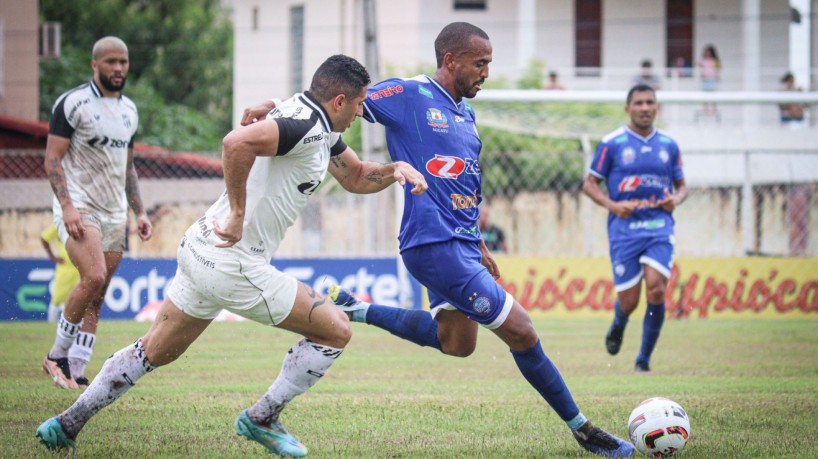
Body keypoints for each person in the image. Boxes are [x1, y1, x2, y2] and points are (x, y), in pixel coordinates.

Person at [242, 22, 633, 457]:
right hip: (433, 243)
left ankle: (356, 308)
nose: (486, 73)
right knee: (521, 331)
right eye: (479, 63)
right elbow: (333, 100)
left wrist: (479, 244)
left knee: (457, 343)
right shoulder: (410, 94)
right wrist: (276, 105)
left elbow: (467, 185)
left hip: (461, 244)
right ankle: (584, 430)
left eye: (489, 64)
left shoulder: (467, 115)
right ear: (451, 60)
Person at [36, 54, 428, 456]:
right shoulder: (307, 127)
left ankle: (67, 424)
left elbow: (356, 176)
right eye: (360, 103)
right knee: (336, 329)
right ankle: (263, 417)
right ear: (340, 101)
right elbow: (234, 143)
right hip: (233, 263)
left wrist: (396, 169)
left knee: (154, 350)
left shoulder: (312, 121)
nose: (362, 112)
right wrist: (238, 212)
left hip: (201, 247)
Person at [41, 36, 152, 390]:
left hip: (115, 213)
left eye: (123, 62)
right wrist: (67, 206)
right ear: (95, 64)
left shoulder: (129, 110)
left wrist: (140, 212)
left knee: (98, 293)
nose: (118, 68)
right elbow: (52, 159)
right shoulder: (73, 103)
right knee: (93, 275)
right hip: (80, 207)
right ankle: (56, 355)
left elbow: (128, 168)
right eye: (111, 62)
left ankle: (76, 370)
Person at [581, 84, 687, 373]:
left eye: (649, 102)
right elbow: (589, 185)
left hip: (658, 226)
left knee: (656, 289)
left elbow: (682, 187)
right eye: (638, 103)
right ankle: (620, 322)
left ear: (657, 108)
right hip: (624, 229)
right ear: (628, 108)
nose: (644, 108)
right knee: (629, 301)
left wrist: (675, 200)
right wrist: (614, 206)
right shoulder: (612, 143)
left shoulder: (669, 145)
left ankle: (643, 360)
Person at [40, 223, 81, 323]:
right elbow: (44, 238)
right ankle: (50, 324)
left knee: (81, 300)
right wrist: (52, 257)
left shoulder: (84, 223)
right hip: (65, 269)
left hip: (81, 268)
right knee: (57, 299)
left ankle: (79, 325)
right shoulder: (60, 224)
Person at [698, 45, 720, 115]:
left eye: (709, 52)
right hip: (705, 79)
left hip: (712, 79)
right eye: (706, 52)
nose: (708, 54)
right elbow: (700, 68)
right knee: (705, 94)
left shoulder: (714, 61)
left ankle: (714, 108)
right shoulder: (703, 61)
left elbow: (717, 68)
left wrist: (717, 75)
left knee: (713, 94)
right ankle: (705, 108)